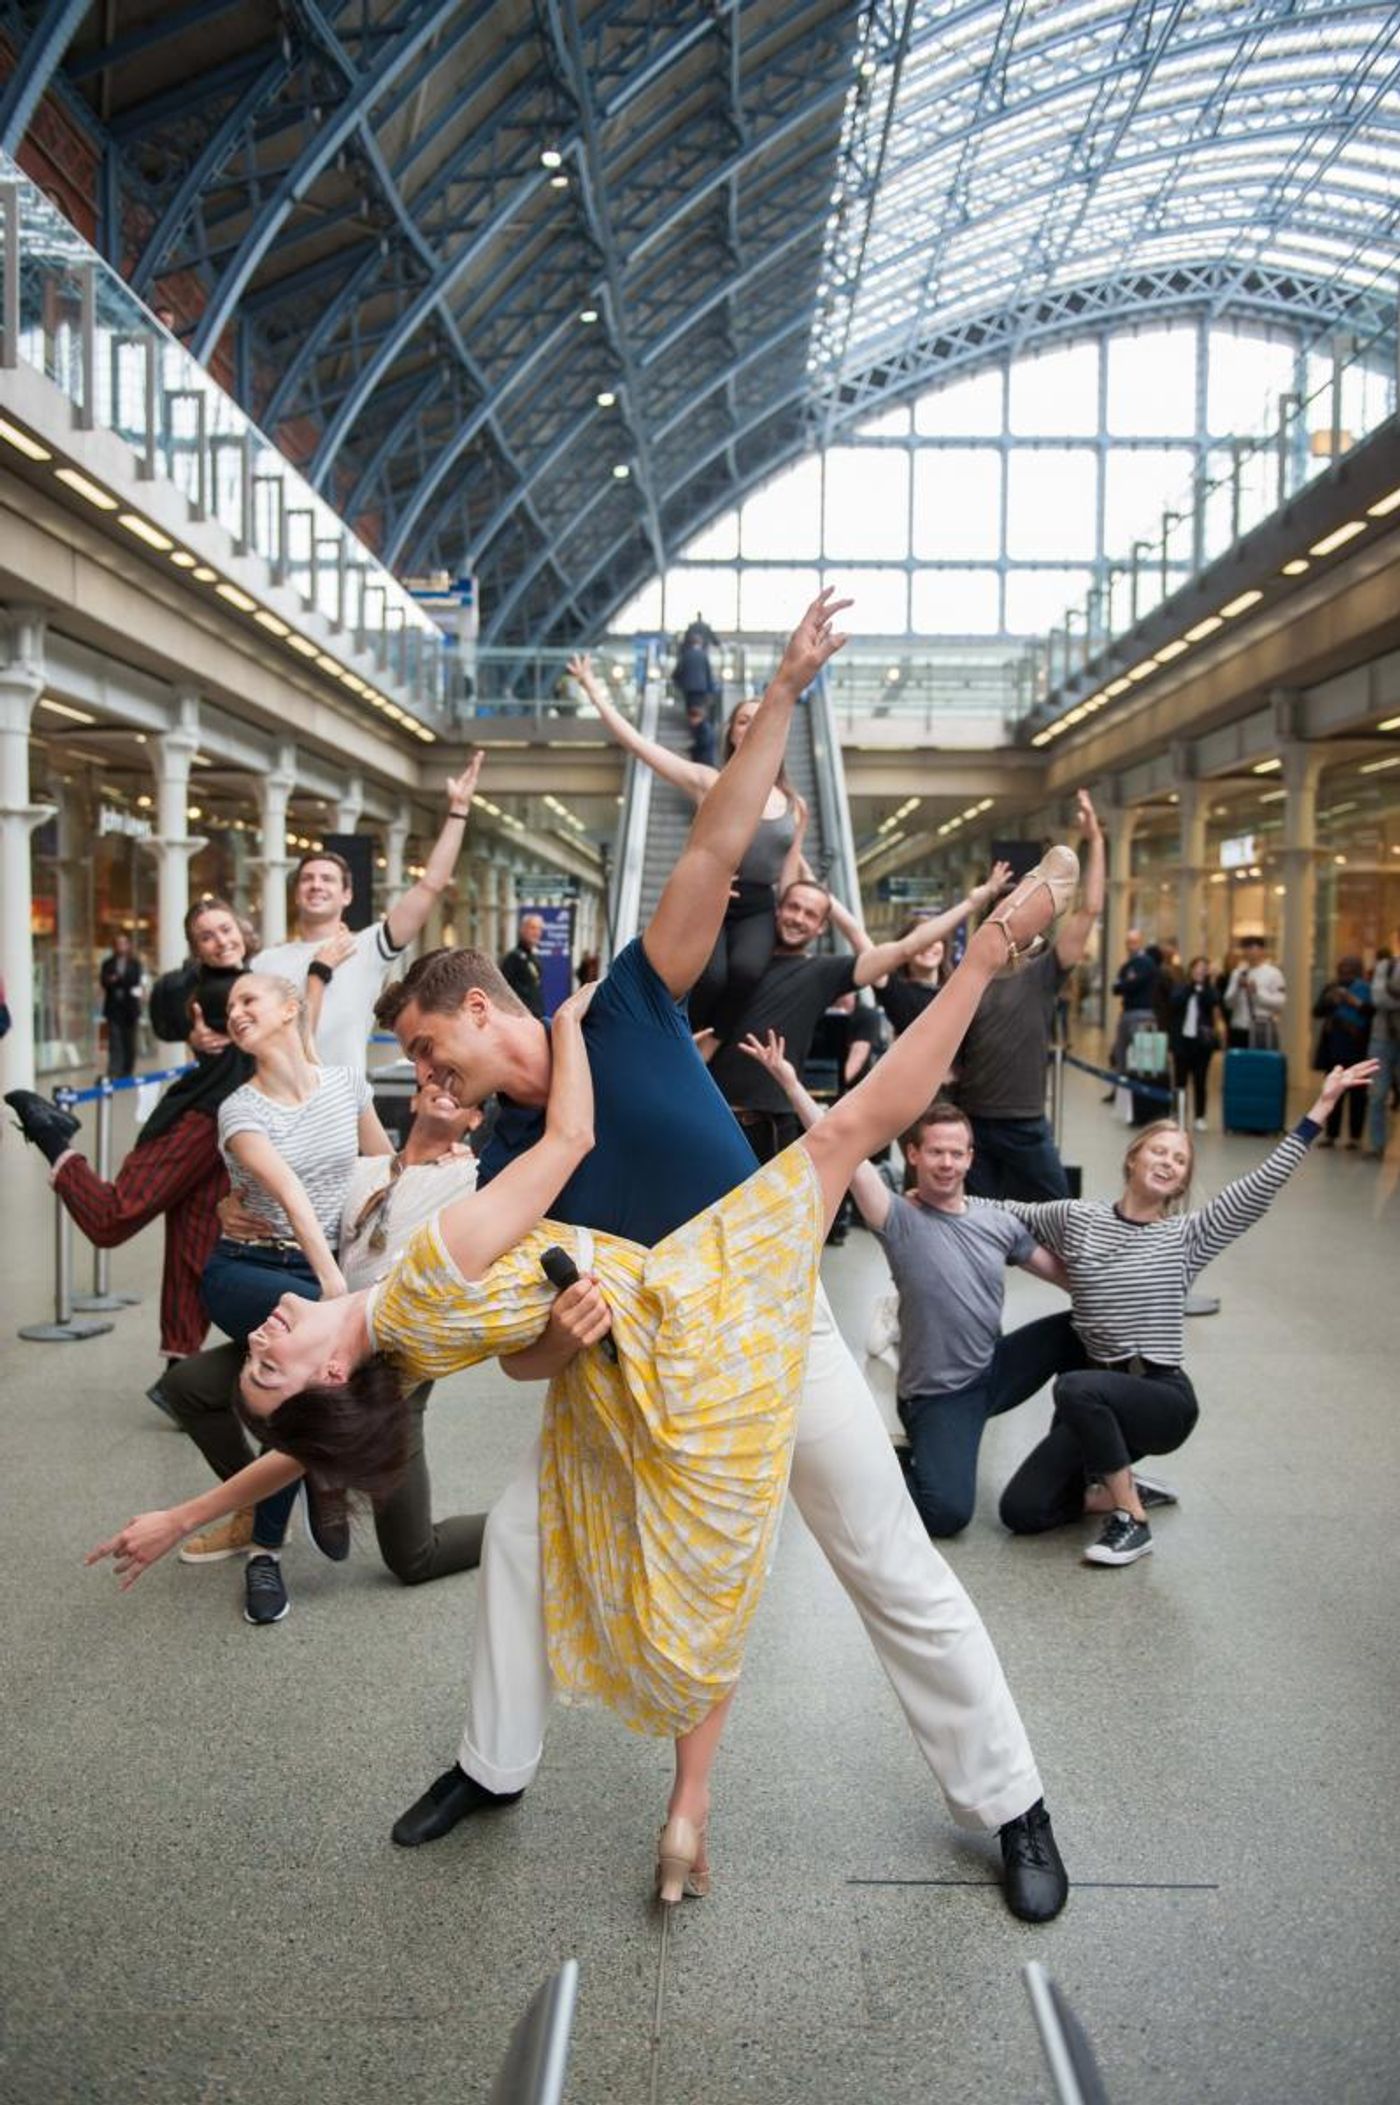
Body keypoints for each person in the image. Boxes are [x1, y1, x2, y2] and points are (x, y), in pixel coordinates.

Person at [94, 594, 1075, 1924]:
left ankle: (1011, 1800)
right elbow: (509, 1342)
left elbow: (719, 838)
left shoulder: (627, 1004)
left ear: (481, 1009)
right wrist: (559, 1339)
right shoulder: (508, 1158)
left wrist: (781, 691)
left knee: (887, 1557)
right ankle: (494, 1767)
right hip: (638, 1372)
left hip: (774, 1324)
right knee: (517, 1542)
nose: (428, 1079)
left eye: (433, 1052)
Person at [996, 1060, 1378, 1566]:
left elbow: (1260, 1187)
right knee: (1022, 1511)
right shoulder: (1077, 1217)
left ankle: (1131, 1519)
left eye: (1179, 1160)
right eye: (1158, 1150)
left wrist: (1320, 1109)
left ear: (1180, 1184)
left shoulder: (1184, 1238)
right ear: (1133, 1158)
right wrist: (925, 1199)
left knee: (1074, 1386)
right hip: (1097, 1401)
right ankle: (1118, 1485)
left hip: (1160, 1398)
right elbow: (1002, 1210)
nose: (1168, 1162)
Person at [137, 1079, 490, 1587]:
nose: (444, 1090)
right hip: (318, 1329)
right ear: (411, 1099)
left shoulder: (472, 1176)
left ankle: (530, 1525)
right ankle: (265, 1508)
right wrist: (229, 1209)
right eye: (430, 1081)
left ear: (476, 1121)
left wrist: (181, 1517)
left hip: (392, 1369)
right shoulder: (362, 1171)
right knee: (187, 1384)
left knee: (412, 1558)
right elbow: (293, 1210)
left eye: (464, 1095)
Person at [739, 1052, 1076, 1540]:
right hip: (940, 1395)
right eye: (936, 1152)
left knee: (1079, 1333)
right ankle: (888, 1464)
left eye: (957, 1153)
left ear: (970, 1159)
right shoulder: (899, 1220)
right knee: (948, 1514)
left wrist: (1132, 1289)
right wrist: (793, 1086)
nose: (946, 1163)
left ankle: (1087, 1464)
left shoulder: (996, 1223)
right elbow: (846, 1149)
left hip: (994, 1370)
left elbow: (1063, 1277)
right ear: (913, 1156)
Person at [202, 969, 394, 1621]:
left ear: (290, 1009)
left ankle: (299, 1497)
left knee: (306, 1381)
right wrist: (335, 1290)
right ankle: (272, 1543)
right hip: (246, 1270)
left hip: (316, 1274)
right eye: (230, 1006)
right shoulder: (240, 1108)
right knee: (315, 1352)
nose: (235, 1011)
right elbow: (286, 1191)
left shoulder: (345, 1084)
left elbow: (386, 1170)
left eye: (248, 998)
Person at [7, 899, 252, 1376]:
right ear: (196, 949)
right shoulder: (222, 988)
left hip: (232, 1130)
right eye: (208, 936)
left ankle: (178, 1374)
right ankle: (50, 1135)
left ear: (242, 929)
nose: (222, 940)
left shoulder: (241, 979)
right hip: (195, 1121)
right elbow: (171, 1009)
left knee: (195, 1246)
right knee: (113, 1217)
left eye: (226, 929)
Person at [572, 650, 808, 1038]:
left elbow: (792, 871)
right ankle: (683, 1039)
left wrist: (799, 923)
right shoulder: (709, 781)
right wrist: (594, 691)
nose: (751, 727)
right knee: (709, 977)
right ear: (732, 733)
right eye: (743, 720)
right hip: (712, 896)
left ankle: (713, 1043)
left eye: (759, 719)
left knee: (749, 972)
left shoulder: (794, 804)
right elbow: (640, 746)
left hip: (758, 906)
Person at [702, 872, 1010, 1164]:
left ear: (822, 927)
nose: (798, 918)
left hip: (769, 1126)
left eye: (810, 914)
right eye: (793, 907)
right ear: (777, 911)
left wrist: (971, 904)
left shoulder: (824, 973)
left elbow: (905, 948)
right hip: (709, 1115)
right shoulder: (738, 961)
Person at [250, 758, 483, 1073]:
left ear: (347, 895)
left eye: (327, 879)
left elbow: (430, 885)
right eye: (307, 878)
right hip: (277, 1103)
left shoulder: (367, 948)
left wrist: (458, 811)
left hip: (342, 1107)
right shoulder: (266, 961)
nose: (316, 885)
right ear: (296, 893)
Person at [951, 791, 1105, 1201]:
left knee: (1061, 1216)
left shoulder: (1042, 975)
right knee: (975, 1227)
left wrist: (1096, 840)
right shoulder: (968, 978)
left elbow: (1088, 910)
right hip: (972, 1124)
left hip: (1025, 1123)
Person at [1311, 959, 1372, 1148]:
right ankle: (1331, 1134)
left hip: (1358, 1050)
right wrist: (1331, 1000)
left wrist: (1353, 1002)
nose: (1345, 977)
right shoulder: (1331, 988)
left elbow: (1372, 1013)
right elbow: (1317, 1011)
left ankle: (1355, 1137)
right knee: (1332, 1093)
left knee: (1358, 1097)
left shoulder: (1366, 990)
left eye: (1350, 972)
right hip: (1334, 1050)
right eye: (1342, 972)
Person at [1168, 956, 1223, 1132]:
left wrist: (1205, 986)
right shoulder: (1181, 988)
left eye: (1203, 968)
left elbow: (1214, 1003)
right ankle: (1178, 1114)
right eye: (1197, 967)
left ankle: (1200, 1116)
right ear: (1191, 970)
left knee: (1200, 1081)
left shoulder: (1210, 990)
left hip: (1201, 1043)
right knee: (1180, 1081)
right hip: (1182, 1041)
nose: (1200, 971)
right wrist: (1192, 988)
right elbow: (1174, 1002)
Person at [1107, 926, 1158, 1078]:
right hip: (1127, 1013)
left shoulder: (1146, 963)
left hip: (1142, 1014)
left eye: (1134, 942)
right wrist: (1126, 983)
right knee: (1120, 1053)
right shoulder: (1127, 965)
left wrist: (1126, 983)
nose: (1130, 945)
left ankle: (1140, 1094)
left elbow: (1133, 984)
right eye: (1128, 942)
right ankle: (1120, 1091)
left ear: (1140, 942)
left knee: (1142, 1055)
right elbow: (1116, 988)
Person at [1364, 948, 1400, 1156]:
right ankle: (1377, 1145)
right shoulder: (1386, 966)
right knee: (1377, 1094)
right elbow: (1379, 999)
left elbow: (1387, 999)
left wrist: (1392, 994)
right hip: (1382, 1038)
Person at [1223, 936, 1285, 1052]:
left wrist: (1257, 994)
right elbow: (1228, 1003)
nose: (1248, 952)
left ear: (1262, 951)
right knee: (1239, 1065)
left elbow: (1280, 1003)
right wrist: (1237, 988)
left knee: (1260, 1065)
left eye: (1252, 948)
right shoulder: (1237, 973)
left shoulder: (1273, 973)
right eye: (1245, 949)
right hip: (1239, 1027)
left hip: (1261, 1027)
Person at [99, 931, 143, 1079]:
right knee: (114, 1040)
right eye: (118, 943)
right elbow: (105, 982)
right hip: (113, 1008)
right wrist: (115, 980)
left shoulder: (135, 964)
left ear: (128, 945)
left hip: (130, 1009)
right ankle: (114, 1069)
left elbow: (134, 980)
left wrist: (116, 979)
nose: (121, 946)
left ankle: (127, 1070)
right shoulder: (108, 963)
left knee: (129, 1041)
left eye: (124, 943)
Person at [499, 913, 545, 1018]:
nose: (537, 933)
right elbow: (502, 987)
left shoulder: (533, 957)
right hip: (520, 1016)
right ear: (522, 929)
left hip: (535, 1015)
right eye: (532, 928)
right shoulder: (513, 958)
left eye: (539, 929)